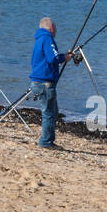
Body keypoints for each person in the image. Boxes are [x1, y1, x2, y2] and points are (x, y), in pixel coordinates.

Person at [29, 17, 77, 149]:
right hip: (44, 83)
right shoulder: (47, 38)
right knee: (49, 113)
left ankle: (49, 140)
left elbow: (49, 58)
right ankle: (46, 142)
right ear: (51, 27)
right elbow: (53, 58)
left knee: (53, 111)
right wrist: (64, 58)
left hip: (38, 81)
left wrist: (64, 57)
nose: (56, 30)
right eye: (55, 27)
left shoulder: (39, 39)